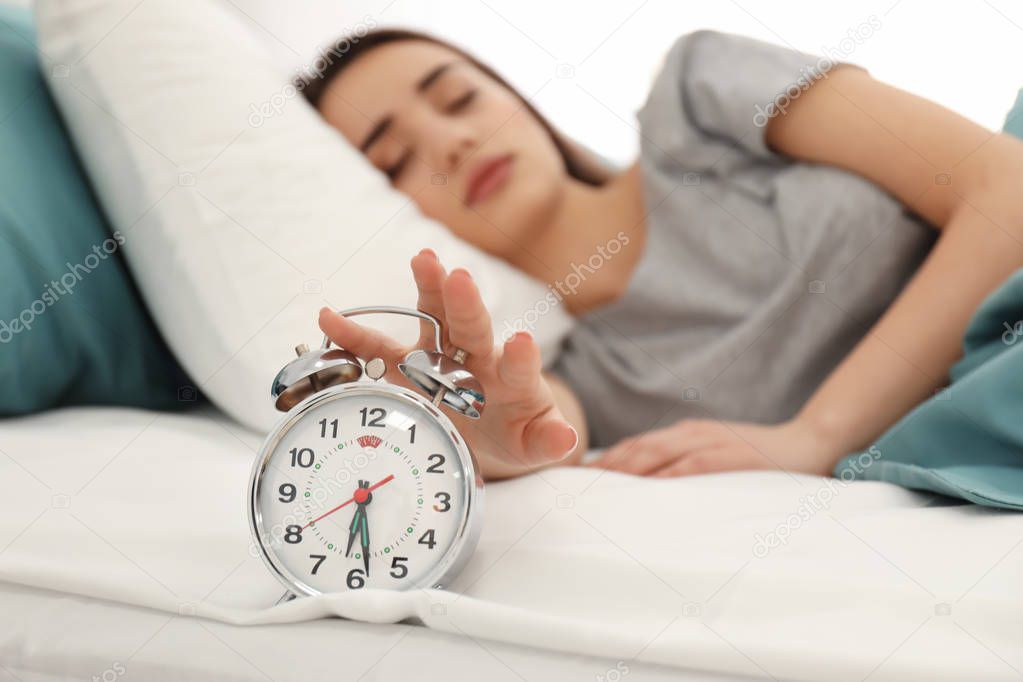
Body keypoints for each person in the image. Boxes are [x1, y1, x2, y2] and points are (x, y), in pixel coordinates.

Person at [303, 28, 1023, 481]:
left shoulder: (698, 94)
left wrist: (814, 435)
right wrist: (470, 432)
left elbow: (1007, 186)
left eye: (459, 99)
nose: (451, 143)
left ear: (516, 98)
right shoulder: (582, 374)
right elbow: (529, 434)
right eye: (396, 159)